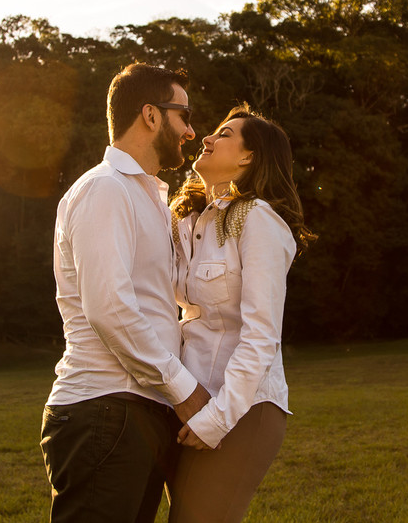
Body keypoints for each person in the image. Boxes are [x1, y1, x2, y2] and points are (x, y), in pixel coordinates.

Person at [40, 63, 213, 523]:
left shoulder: (150, 198)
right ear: (151, 115)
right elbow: (109, 308)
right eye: (184, 116)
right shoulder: (105, 190)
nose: (192, 131)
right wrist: (185, 390)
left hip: (138, 410)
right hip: (105, 409)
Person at [167, 104, 317, 523]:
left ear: (249, 158)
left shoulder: (259, 221)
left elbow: (261, 337)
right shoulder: (187, 222)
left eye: (225, 134)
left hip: (243, 410)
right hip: (187, 406)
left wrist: (215, 419)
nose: (209, 138)